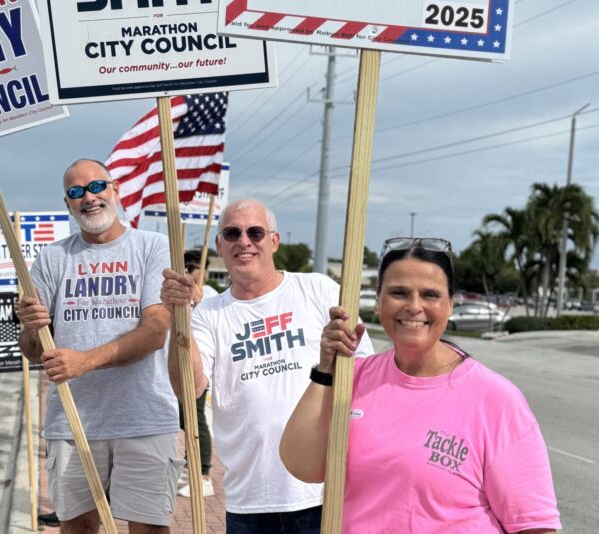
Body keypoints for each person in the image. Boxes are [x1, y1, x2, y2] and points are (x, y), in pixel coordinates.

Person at [280, 237, 561, 533]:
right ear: (378, 303)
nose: (414, 306)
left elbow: (534, 525)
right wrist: (326, 370)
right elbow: (302, 465)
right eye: (399, 293)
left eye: (430, 295)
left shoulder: (495, 398)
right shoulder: (355, 377)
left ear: (450, 305)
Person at [161, 199, 374, 533]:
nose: (244, 241)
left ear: (274, 241)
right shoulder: (207, 313)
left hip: (321, 490)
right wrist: (178, 317)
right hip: (250, 499)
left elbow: (364, 377)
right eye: (232, 233)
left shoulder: (318, 289)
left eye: (255, 232)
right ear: (219, 245)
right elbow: (187, 387)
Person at [17, 159, 180, 534]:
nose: (88, 198)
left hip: (145, 417)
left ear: (115, 189)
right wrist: (30, 327)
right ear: (67, 203)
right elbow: (32, 349)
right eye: (76, 192)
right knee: (78, 528)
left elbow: (155, 331)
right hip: (72, 423)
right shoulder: (52, 258)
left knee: (149, 528)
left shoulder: (152, 246)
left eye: (96, 187)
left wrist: (85, 362)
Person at [177, 249, 217, 498]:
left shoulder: (210, 294)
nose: (189, 271)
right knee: (183, 417)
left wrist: (199, 302)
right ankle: (189, 462)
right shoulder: (181, 289)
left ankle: (203, 474)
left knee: (197, 417)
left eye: (194, 267)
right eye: (186, 266)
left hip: (200, 366)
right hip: (181, 363)